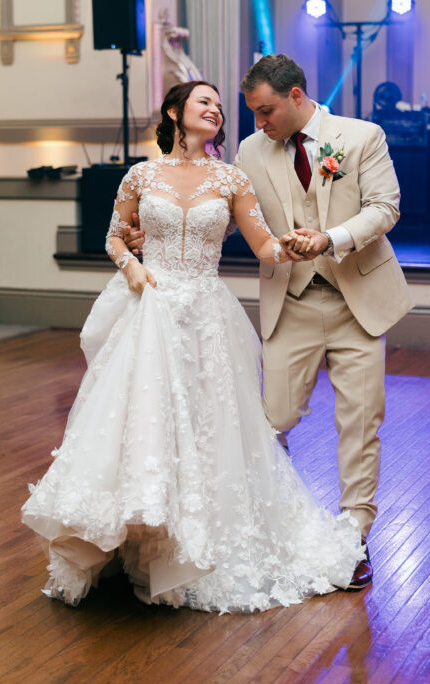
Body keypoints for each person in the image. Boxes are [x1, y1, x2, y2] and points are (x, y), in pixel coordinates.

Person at [22, 80, 363, 613]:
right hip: (150, 307)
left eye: (221, 107)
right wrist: (131, 266)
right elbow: (116, 235)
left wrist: (300, 243)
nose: (216, 110)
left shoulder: (231, 178)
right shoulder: (141, 174)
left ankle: (193, 545)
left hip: (205, 314)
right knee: (143, 425)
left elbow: (262, 245)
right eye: (205, 102)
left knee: (208, 427)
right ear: (176, 113)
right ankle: (133, 539)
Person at [124, 55, 413, 590]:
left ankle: (354, 534)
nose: (258, 123)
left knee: (361, 420)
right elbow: (233, 219)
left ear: (297, 97)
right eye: (252, 114)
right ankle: (271, 515)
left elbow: (385, 208)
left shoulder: (361, 136)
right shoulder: (249, 152)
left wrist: (331, 239)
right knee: (270, 418)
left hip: (360, 301)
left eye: (266, 111)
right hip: (292, 302)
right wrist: (161, 235)